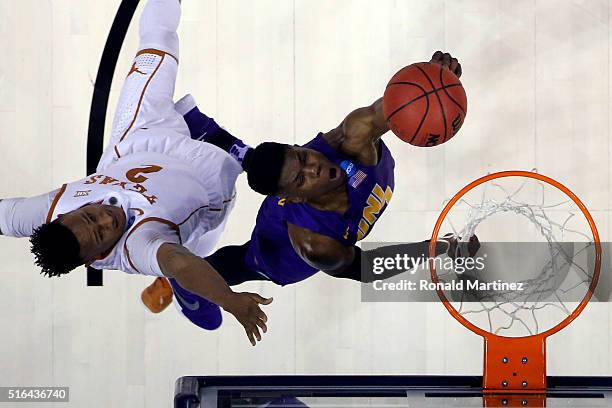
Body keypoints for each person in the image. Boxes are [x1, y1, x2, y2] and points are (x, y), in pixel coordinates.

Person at [0, 0, 271, 346]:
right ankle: (188, 283)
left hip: (136, 140)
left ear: (65, 212)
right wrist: (230, 301)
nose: (107, 218)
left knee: (157, 41)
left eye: (90, 214)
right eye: (101, 234)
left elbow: (2, 216)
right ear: (93, 260)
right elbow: (179, 262)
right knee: (188, 256)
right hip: (205, 178)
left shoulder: (45, 212)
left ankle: (197, 127)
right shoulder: (137, 246)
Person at [142, 52, 466, 332]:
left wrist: (432, 85)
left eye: (305, 155)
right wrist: (429, 251)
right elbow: (365, 268)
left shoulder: (350, 138)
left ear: (302, 147)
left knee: (276, 165)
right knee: (249, 260)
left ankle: (223, 141)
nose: (316, 167)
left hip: (300, 184)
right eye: (302, 180)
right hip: (280, 241)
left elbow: (395, 107)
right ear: (295, 197)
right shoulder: (313, 244)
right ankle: (186, 285)